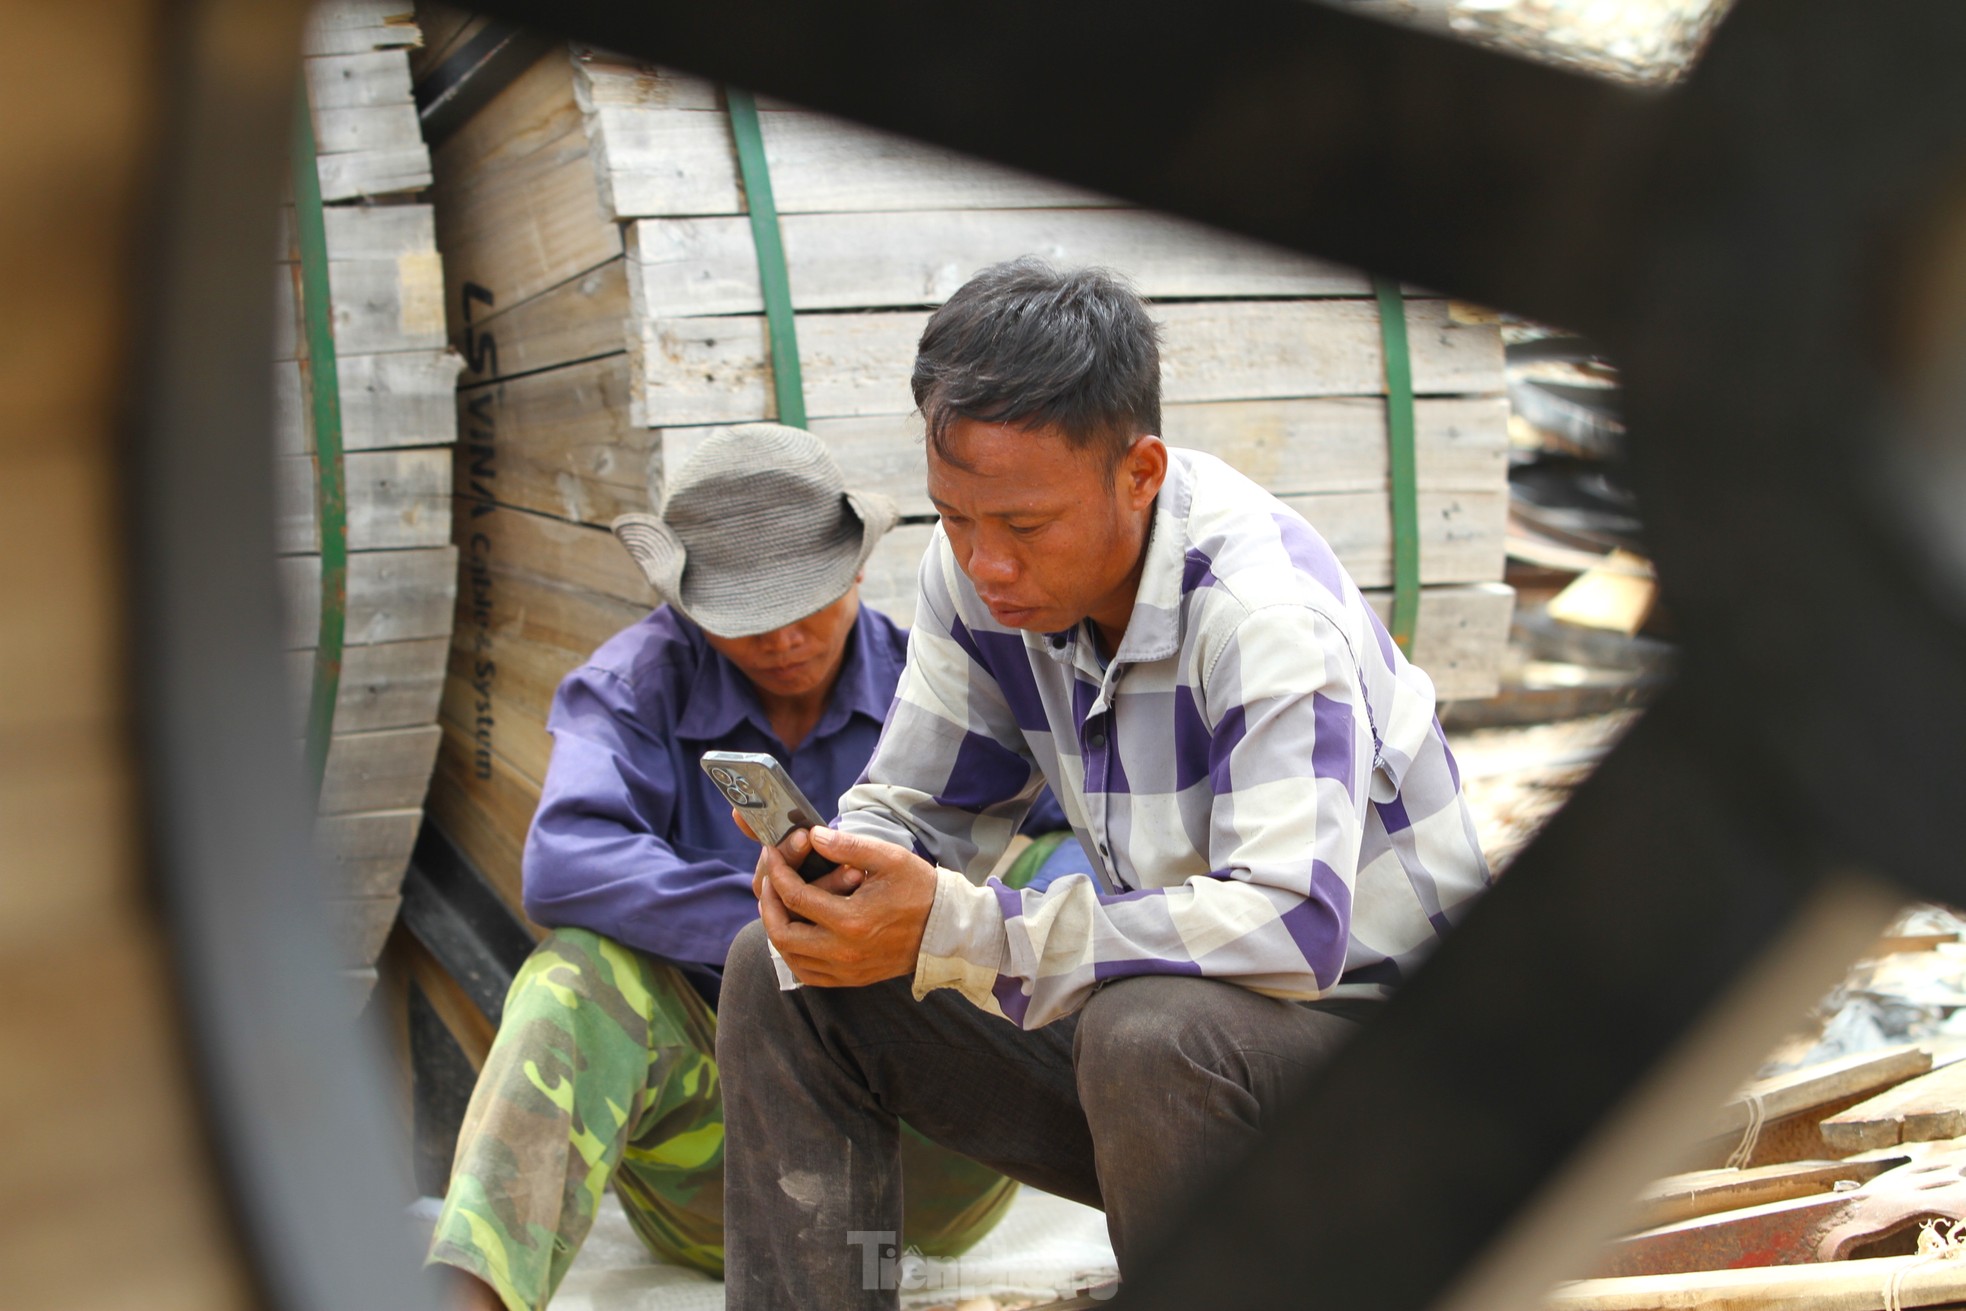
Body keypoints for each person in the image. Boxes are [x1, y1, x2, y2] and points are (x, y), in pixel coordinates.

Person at [716, 259, 1494, 1309]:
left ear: (1139, 475)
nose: (985, 563)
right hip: (1176, 1092)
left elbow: (1291, 928)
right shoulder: (980, 579)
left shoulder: (1263, 617)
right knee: (781, 969)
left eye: (1024, 527)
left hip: (1394, 1101)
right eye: (955, 517)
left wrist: (972, 929)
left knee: (1151, 1032)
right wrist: (840, 875)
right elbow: (916, 808)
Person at [426, 424, 1086, 1311]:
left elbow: (1082, 838)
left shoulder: (936, 679)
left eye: (806, 602)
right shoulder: (632, 684)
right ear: (689, 605)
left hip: (942, 1147)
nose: (783, 639)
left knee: (1068, 874)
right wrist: (783, 921)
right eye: (746, 618)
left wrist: (942, 922)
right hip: (722, 1176)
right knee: (573, 973)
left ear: (856, 568)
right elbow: (563, 862)